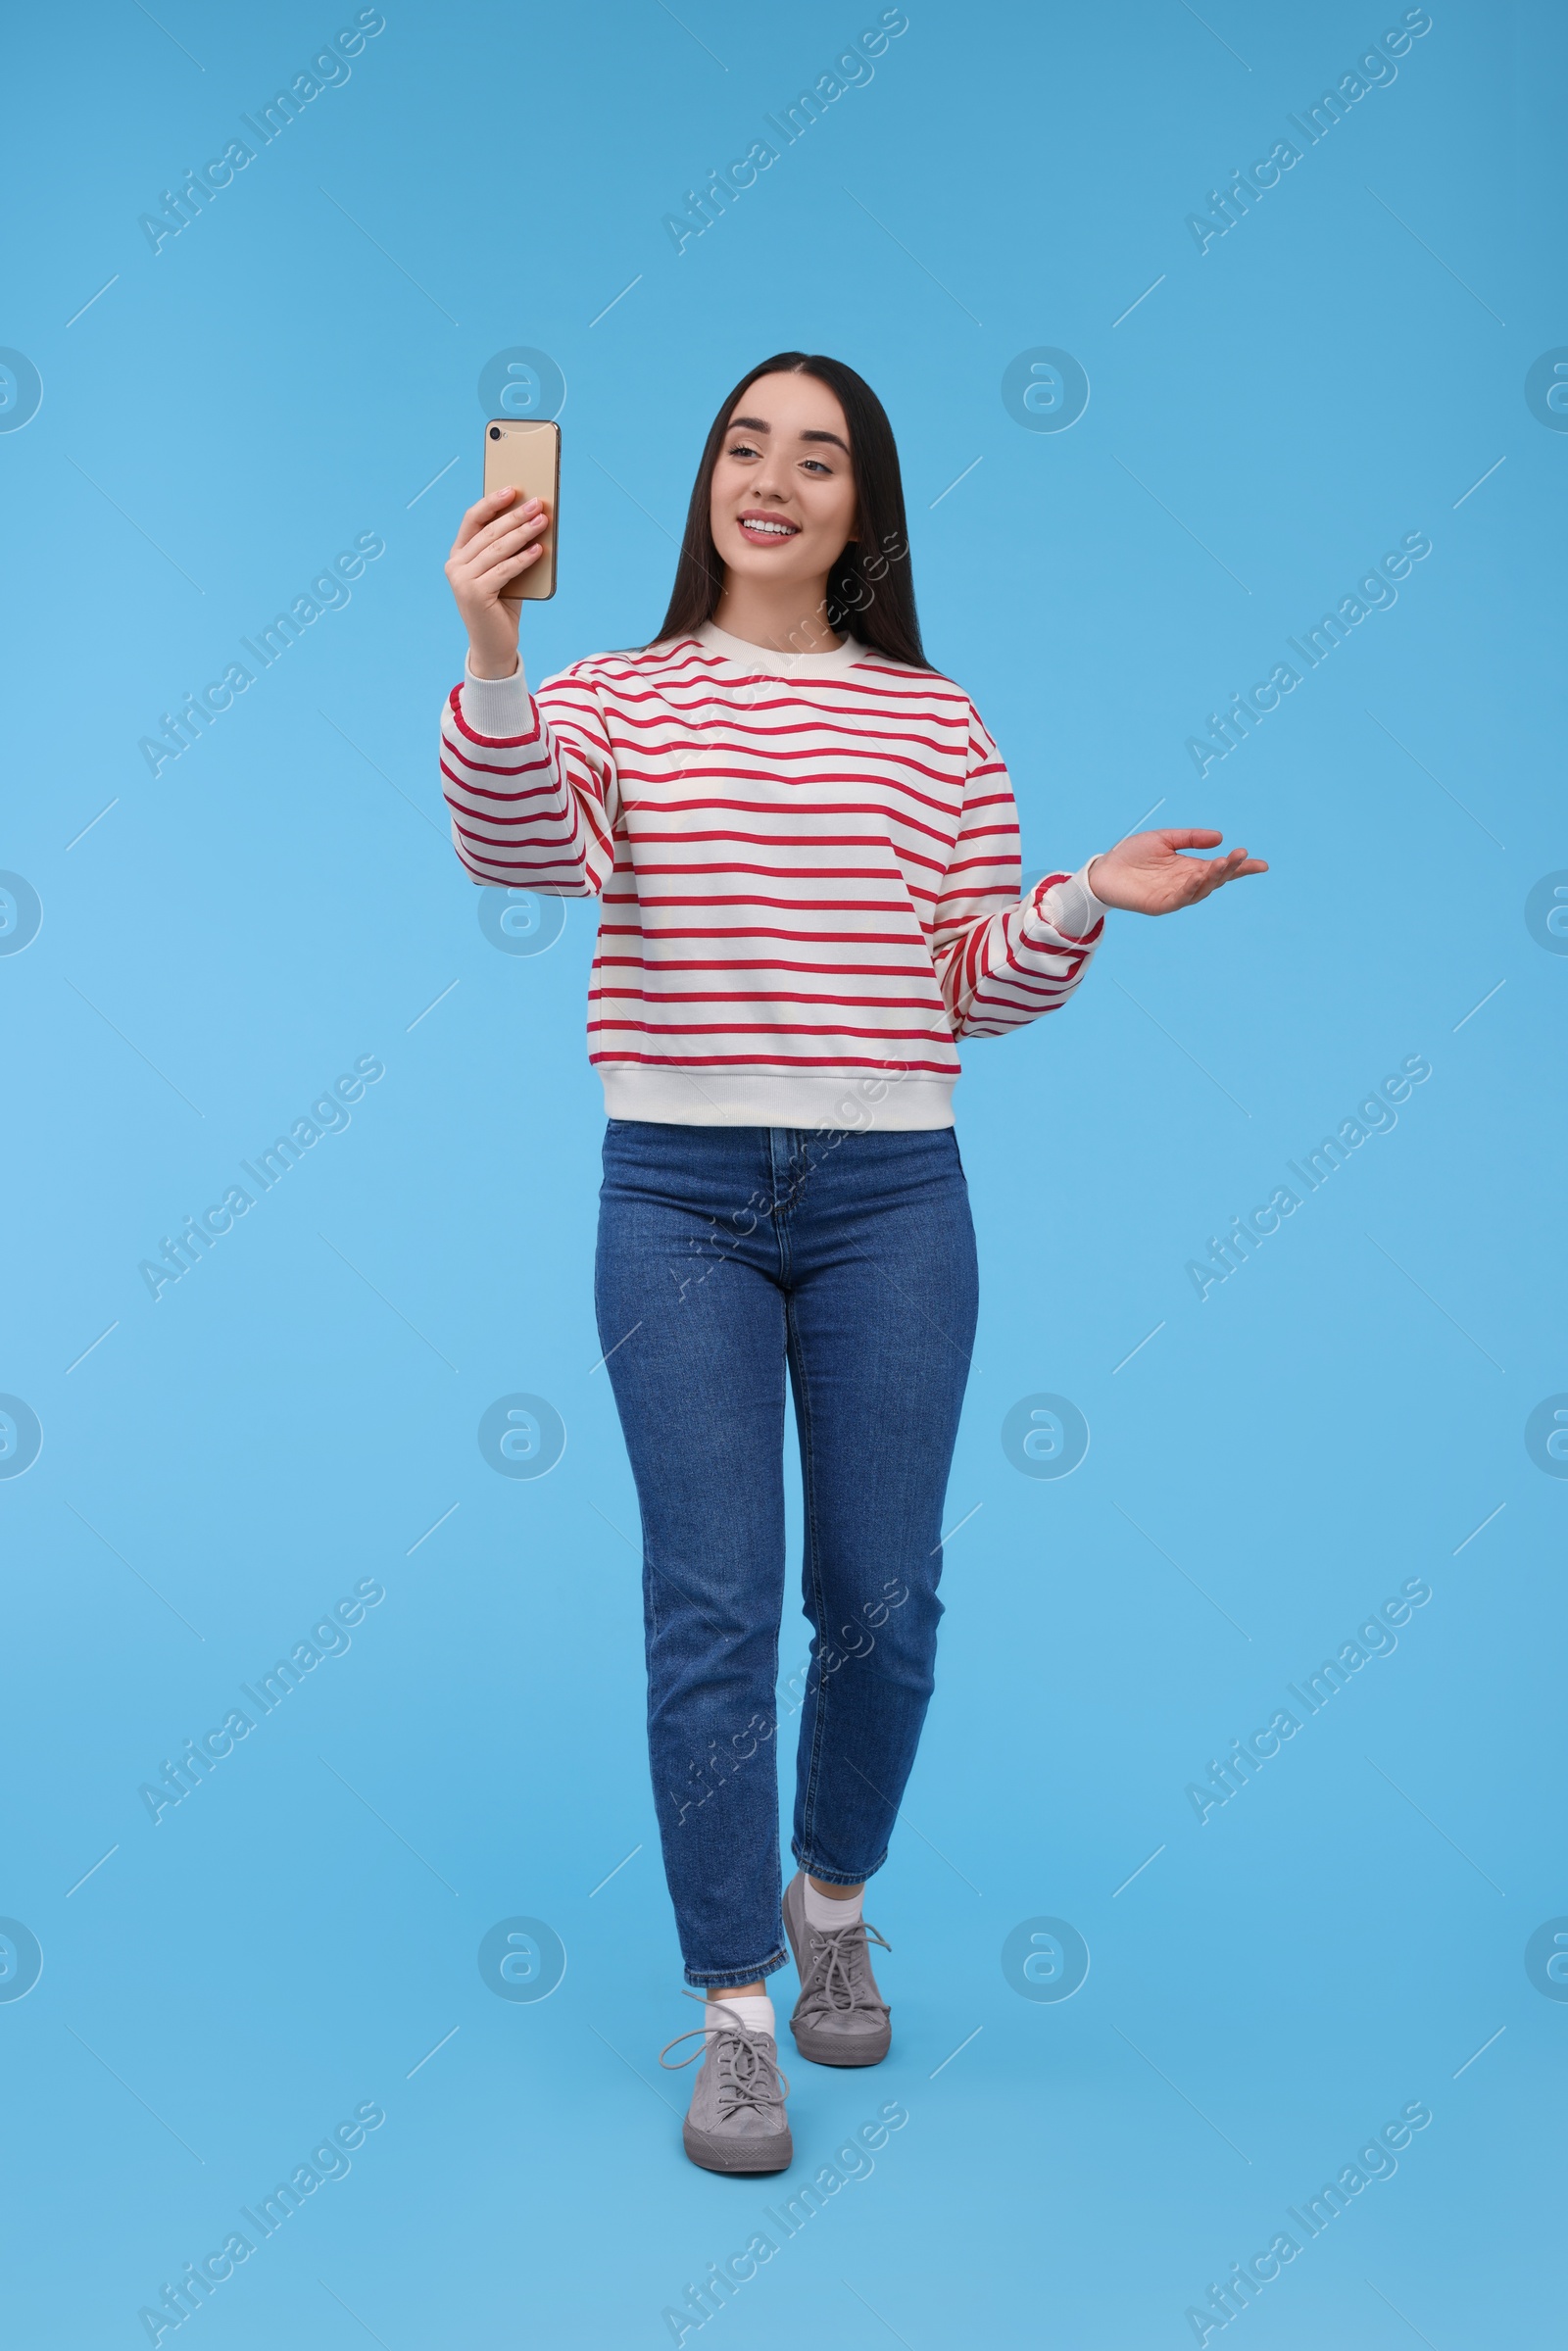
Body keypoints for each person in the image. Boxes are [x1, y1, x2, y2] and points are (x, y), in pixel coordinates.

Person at [440, 351, 1264, 2175]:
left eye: (819, 461)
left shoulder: (938, 726)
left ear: (860, 511)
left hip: (895, 1197)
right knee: (713, 1604)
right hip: (676, 1197)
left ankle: (830, 1895)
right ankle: (735, 2006)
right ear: (706, 481)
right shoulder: (612, 698)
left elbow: (974, 983)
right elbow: (512, 850)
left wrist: (1079, 902)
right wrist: (493, 648)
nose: (774, 481)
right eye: (747, 445)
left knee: (884, 1607)